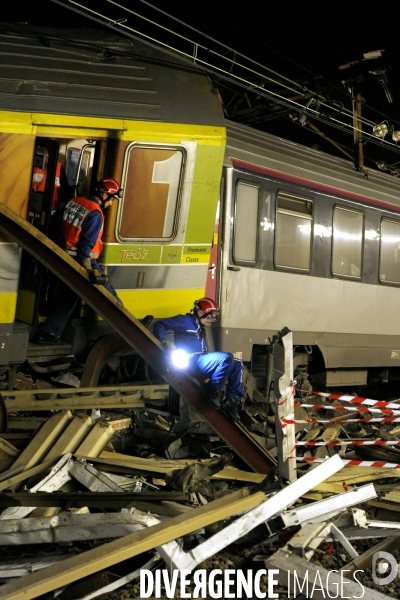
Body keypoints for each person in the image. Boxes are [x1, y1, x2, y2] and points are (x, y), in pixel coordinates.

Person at [34, 177, 122, 344]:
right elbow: (86, 244)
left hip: (64, 256)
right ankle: (126, 325)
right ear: (104, 195)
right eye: (112, 200)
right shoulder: (95, 213)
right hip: (82, 261)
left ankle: (48, 333)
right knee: (108, 294)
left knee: (69, 297)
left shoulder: (74, 201)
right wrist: (88, 268)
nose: (111, 204)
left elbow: (54, 223)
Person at [153, 298, 245, 421]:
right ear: (201, 312)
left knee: (238, 364)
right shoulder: (185, 321)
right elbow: (160, 324)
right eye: (211, 316)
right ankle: (213, 390)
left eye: (215, 317)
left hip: (201, 359)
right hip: (192, 361)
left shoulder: (200, 326)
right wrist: (164, 343)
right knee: (227, 357)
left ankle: (231, 400)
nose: (212, 320)